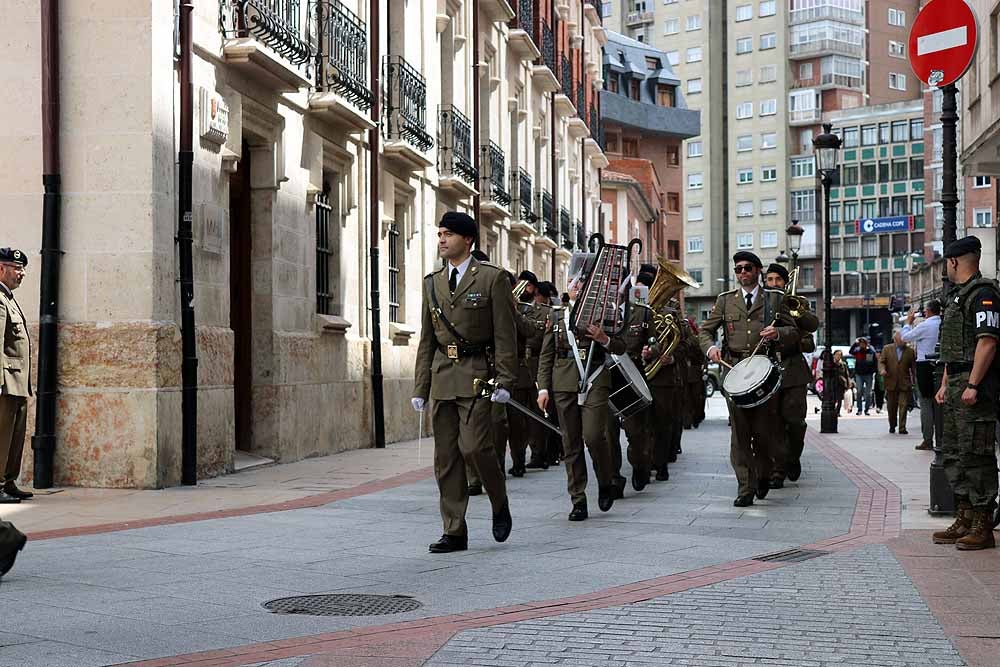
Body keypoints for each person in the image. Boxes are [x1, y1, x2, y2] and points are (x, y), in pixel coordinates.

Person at [412, 213, 516, 553]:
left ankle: (499, 502)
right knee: (446, 459)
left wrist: (505, 379)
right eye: (439, 233)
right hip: (443, 376)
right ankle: (454, 530)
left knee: (475, 448)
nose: (442, 239)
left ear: (468, 240)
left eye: (449, 234)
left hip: (479, 376)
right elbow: (427, 340)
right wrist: (420, 387)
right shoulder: (432, 283)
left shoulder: (492, 279)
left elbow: (505, 334)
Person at [699, 251, 798, 507]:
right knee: (740, 434)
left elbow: (794, 332)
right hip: (733, 371)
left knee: (765, 432)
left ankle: (763, 474)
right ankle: (745, 487)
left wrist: (778, 333)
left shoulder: (774, 299)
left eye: (747, 269)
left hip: (764, 373)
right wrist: (710, 348)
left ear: (757, 271)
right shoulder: (725, 301)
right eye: (738, 269)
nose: (742, 273)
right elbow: (705, 331)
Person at [537, 266, 626, 521]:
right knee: (570, 443)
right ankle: (578, 499)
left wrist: (604, 338)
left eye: (581, 282)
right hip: (563, 382)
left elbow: (621, 346)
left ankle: (606, 479)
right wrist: (543, 388)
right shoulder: (556, 317)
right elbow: (546, 356)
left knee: (594, 436)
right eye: (572, 281)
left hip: (595, 378)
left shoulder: (604, 313)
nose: (576, 285)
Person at [932, 236, 999, 550]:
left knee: (977, 454)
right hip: (958, 382)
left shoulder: (983, 293)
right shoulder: (956, 297)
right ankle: (965, 516)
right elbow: (952, 349)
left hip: (976, 386)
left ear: (954, 261)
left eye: (946, 262)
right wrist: (947, 383)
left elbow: (987, 342)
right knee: (954, 452)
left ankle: (983, 524)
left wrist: (973, 385)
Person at [764, 263, 818, 487]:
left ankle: (793, 457)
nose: (774, 283)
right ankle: (778, 469)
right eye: (770, 279)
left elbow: (811, 331)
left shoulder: (794, 305)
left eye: (778, 279)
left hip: (794, 372)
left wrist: (795, 312)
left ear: (785, 283)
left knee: (795, 422)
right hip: (767, 371)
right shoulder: (761, 304)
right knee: (773, 423)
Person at [0, 248, 32, 503]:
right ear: (2, 269)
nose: (21, 273)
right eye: (16, 268)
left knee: (15, 434)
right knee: (2, 434)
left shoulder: (9, 298)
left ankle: (9, 481)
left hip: (18, 382)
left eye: (22, 269)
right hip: (5, 382)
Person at [902, 300, 943, 451]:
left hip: (925, 365)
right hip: (941, 364)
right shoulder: (942, 323)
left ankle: (927, 439)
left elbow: (905, 337)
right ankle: (942, 437)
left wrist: (908, 322)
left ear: (928, 311)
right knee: (941, 402)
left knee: (925, 403)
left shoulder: (926, 325)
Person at [878, 331, 916, 435]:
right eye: (900, 340)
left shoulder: (910, 351)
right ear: (895, 340)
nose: (903, 342)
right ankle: (892, 425)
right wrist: (882, 370)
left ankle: (902, 427)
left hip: (904, 382)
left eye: (904, 340)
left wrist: (914, 381)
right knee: (891, 406)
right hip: (891, 381)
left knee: (903, 405)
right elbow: (881, 362)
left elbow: (913, 367)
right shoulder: (887, 348)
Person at [849, 337, 878, 415]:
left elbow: (873, 362)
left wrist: (873, 371)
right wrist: (855, 343)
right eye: (860, 343)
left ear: (866, 344)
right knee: (859, 391)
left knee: (868, 393)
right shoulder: (857, 351)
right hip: (859, 374)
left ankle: (867, 409)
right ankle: (859, 409)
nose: (861, 345)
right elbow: (851, 351)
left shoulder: (870, 351)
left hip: (868, 374)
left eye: (863, 343)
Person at [832, 349, 851, 415]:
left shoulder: (843, 364)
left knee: (840, 399)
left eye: (839, 355)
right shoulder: (831, 364)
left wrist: (848, 384)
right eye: (837, 355)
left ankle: (838, 412)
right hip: (833, 383)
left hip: (841, 383)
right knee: (833, 399)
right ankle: (833, 411)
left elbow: (847, 374)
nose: (838, 356)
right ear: (834, 355)